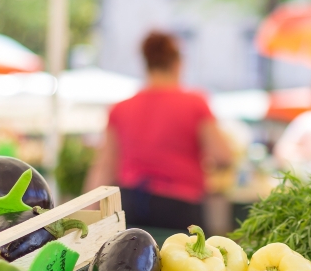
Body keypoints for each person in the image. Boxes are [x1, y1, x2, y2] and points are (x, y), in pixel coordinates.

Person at [87, 31, 232, 229]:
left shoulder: (121, 108)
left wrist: (87, 217)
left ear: (146, 64)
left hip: (131, 204)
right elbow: (223, 156)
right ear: (177, 64)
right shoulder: (195, 104)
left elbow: (103, 167)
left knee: (132, 258)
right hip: (180, 206)